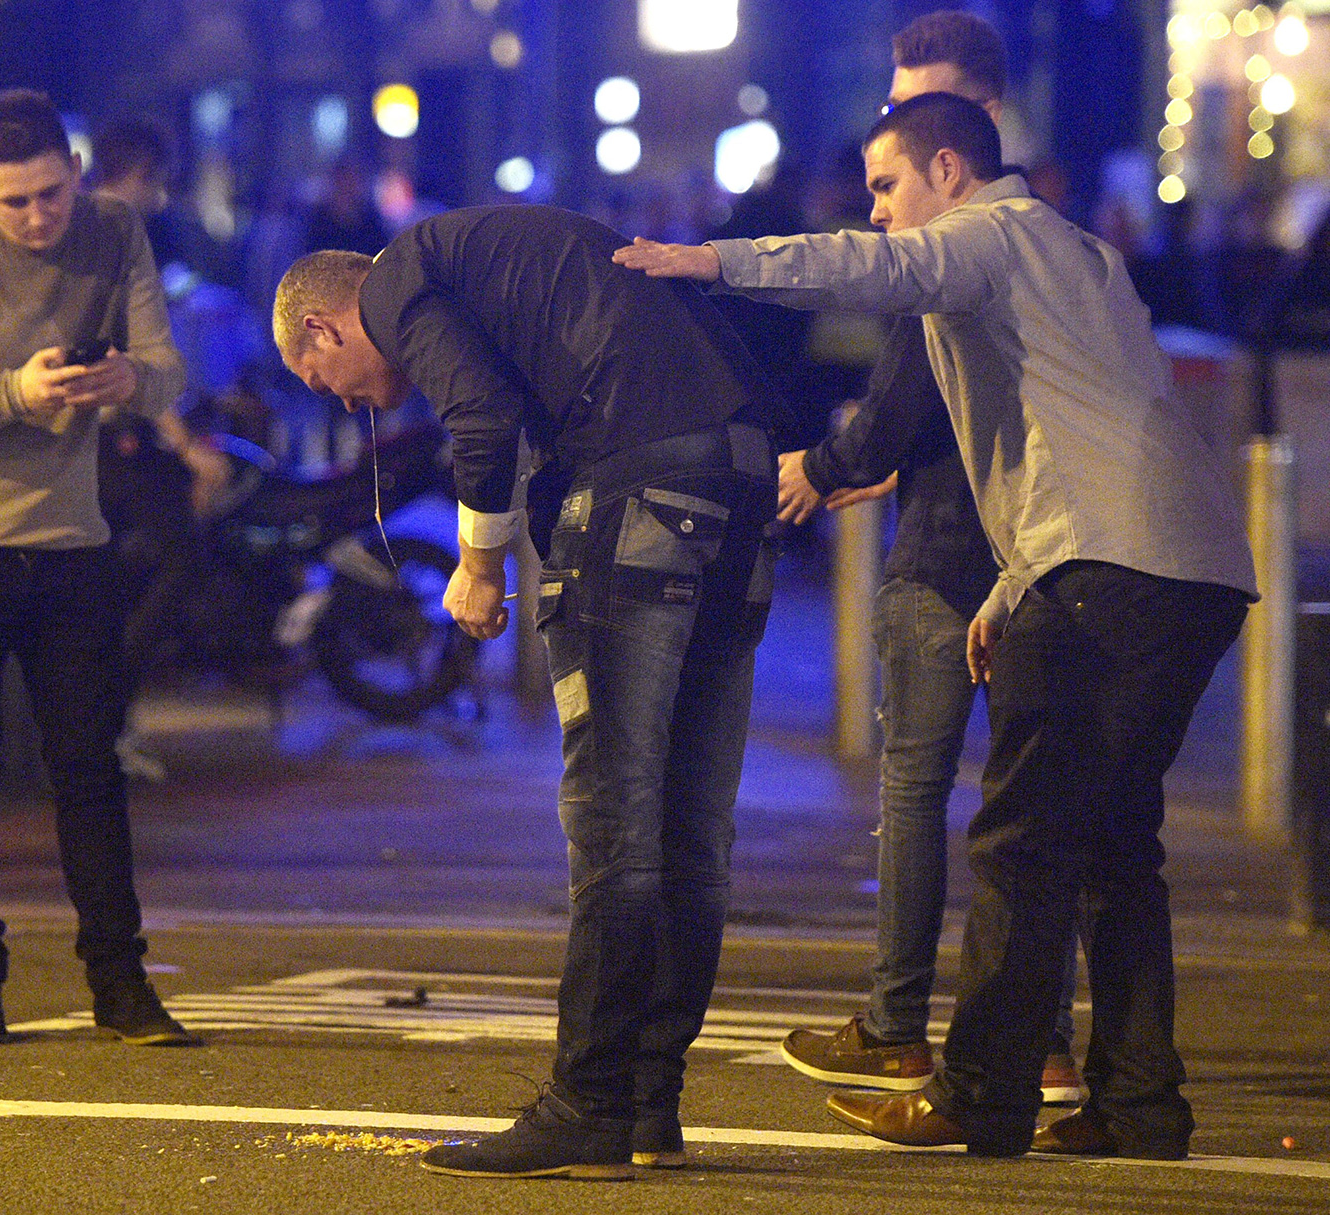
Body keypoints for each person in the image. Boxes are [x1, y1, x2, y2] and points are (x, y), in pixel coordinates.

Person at [616, 92, 1256, 1160]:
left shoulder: (986, 238)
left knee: (1019, 841)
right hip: (1190, 575)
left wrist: (710, 263)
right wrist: (1010, 589)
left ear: (948, 170)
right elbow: (1074, 437)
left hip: (1104, 571)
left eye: (885, 185)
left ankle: (980, 1094)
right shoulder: (1079, 251)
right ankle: (1141, 1106)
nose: (875, 213)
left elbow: (874, 275)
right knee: (1112, 850)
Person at [272, 204, 779, 1179]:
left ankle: (588, 1102)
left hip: (635, 490)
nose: (344, 402)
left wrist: (478, 564)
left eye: (317, 377)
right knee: (691, 828)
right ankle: (648, 1102)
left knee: (615, 827)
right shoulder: (500, 260)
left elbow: (481, 417)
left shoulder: (399, 277)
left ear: (322, 327)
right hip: (737, 480)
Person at [774, 9, 1081, 1107]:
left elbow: (903, 397)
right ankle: (1040, 1037)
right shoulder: (1055, 236)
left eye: (913, 107)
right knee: (1034, 807)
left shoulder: (953, 245)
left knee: (918, 792)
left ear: (969, 127)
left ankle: (899, 1023)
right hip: (1043, 555)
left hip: (961, 549)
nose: (895, 129)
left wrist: (827, 460)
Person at [0, 88, 194, 1047]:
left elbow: (171, 371)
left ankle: (121, 984)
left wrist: (128, 382)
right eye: (12, 201)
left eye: (51, 194)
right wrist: (19, 391)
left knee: (88, 763)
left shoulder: (115, 230)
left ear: (77, 174)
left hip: (68, 540)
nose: (36, 217)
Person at [90, 117, 231, 780]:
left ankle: (107, 720)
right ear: (143, 172)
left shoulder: (89, 228)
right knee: (180, 563)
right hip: (113, 440)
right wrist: (185, 448)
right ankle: (107, 718)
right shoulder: (118, 235)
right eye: (161, 181)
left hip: (100, 439)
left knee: (118, 580)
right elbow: (129, 361)